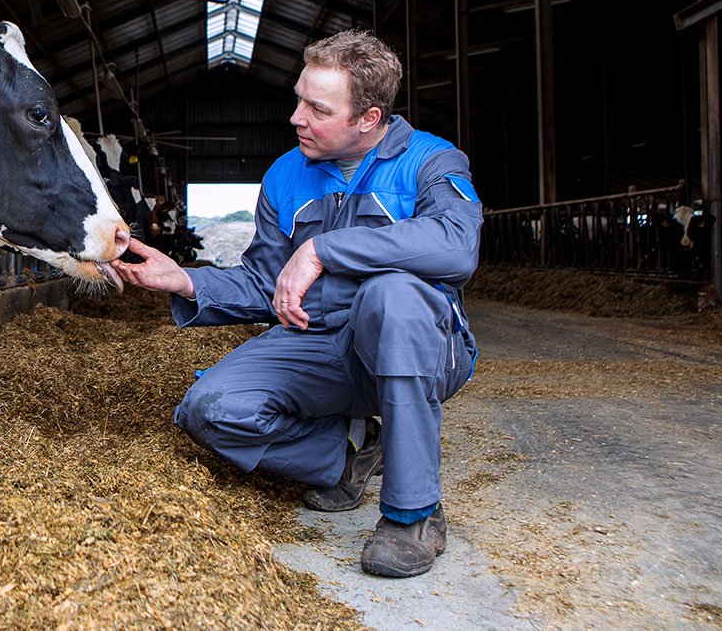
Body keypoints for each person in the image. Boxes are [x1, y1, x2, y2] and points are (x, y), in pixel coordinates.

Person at [110, 30, 481, 578]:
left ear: (369, 119)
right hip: (318, 344)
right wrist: (186, 281)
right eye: (299, 99)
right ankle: (350, 453)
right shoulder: (285, 175)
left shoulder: (429, 161)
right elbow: (266, 284)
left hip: (416, 348)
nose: (296, 117)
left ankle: (414, 515)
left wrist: (324, 249)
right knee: (210, 409)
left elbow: (456, 245)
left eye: (317, 108)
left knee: (393, 294)